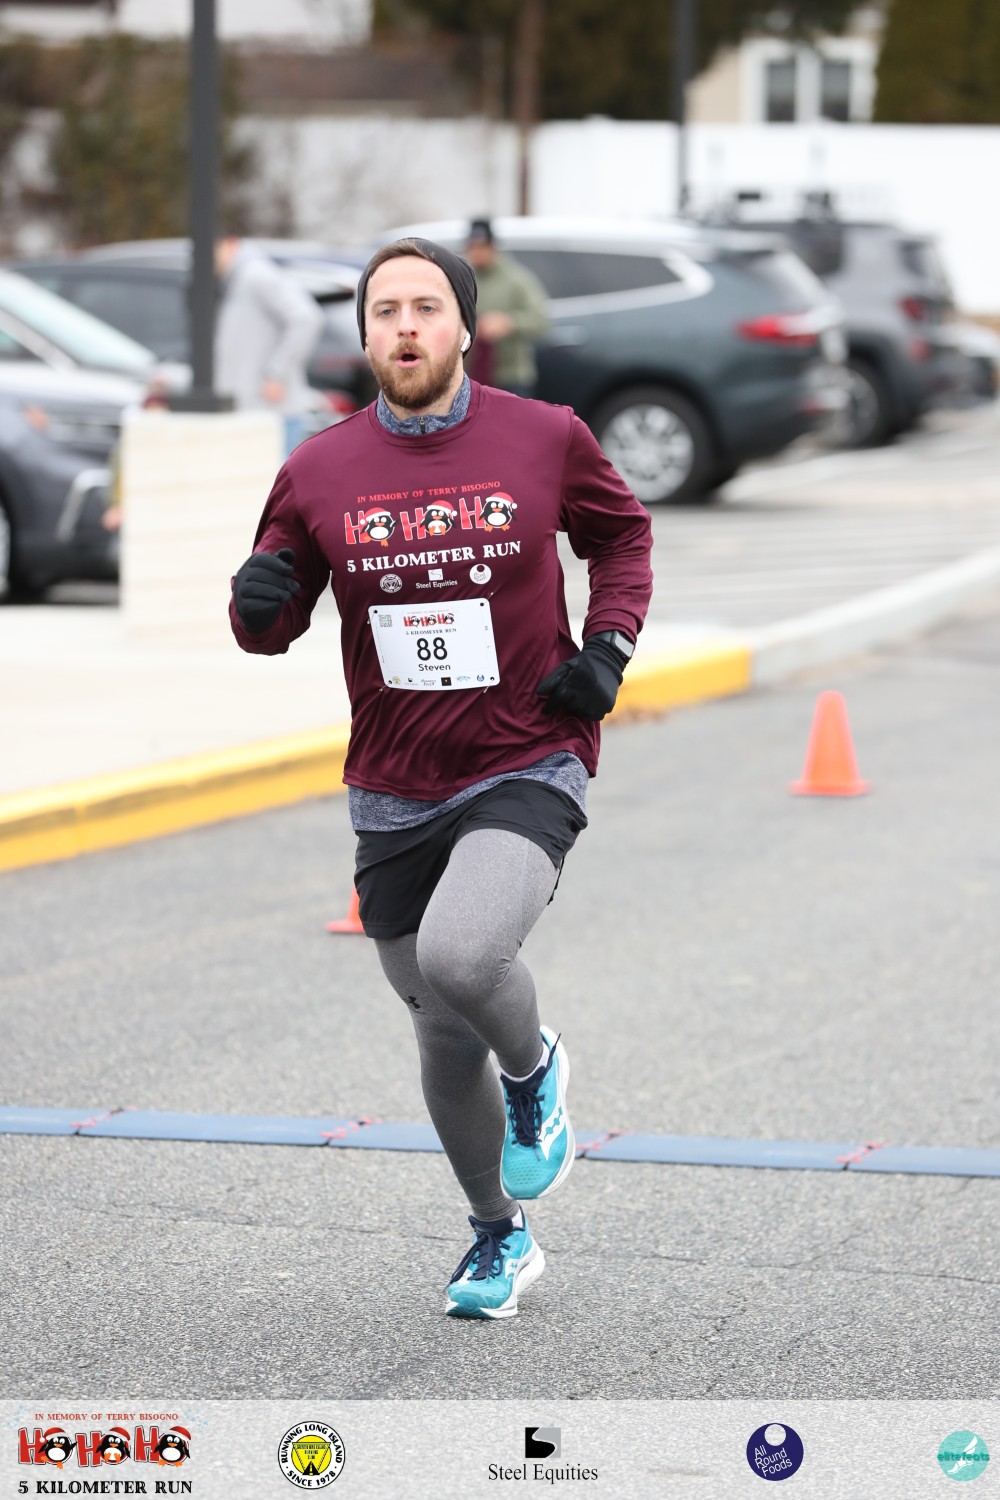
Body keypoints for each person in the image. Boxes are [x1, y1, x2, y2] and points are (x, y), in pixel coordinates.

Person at [229, 237, 652, 1320]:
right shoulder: (319, 469)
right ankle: (498, 1235)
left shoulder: (543, 436)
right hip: (393, 779)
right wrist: (254, 601)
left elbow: (622, 538)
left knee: (463, 955)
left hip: (527, 751)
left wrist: (606, 647)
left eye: (427, 307)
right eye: (385, 311)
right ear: (365, 335)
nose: (406, 326)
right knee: (439, 1028)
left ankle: (536, 1072)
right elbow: (271, 621)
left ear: (464, 326)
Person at [214, 235, 324, 454]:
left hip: (273, 416)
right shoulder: (239, 279)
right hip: (259, 415)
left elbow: (306, 318)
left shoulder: (257, 275)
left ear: (228, 243)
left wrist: (276, 374)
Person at [462, 218, 549, 397]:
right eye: (473, 247)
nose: (478, 252)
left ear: (493, 247)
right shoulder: (461, 278)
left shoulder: (516, 280)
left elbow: (541, 319)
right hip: (468, 375)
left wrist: (509, 322)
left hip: (510, 376)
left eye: (483, 247)